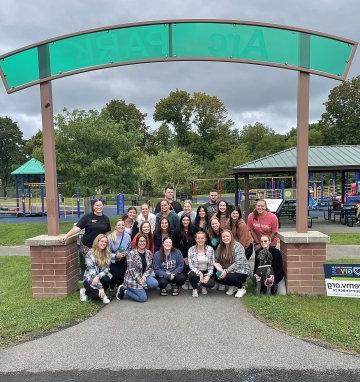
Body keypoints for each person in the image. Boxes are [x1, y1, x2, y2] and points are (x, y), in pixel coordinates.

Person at [61, 199, 111, 268]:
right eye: (96, 205)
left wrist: (110, 243)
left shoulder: (106, 218)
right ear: (93, 207)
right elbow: (77, 228)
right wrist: (66, 235)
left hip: (100, 247)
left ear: (103, 206)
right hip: (87, 246)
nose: (99, 207)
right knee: (90, 266)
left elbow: (107, 232)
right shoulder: (87, 217)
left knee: (99, 266)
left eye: (100, 205)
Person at [116, 234, 158, 302]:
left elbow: (150, 267)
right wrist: (139, 280)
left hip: (143, 276)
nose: (142, 243)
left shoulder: (149, 253)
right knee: (143, 298)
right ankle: (124, 290)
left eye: (144, 241)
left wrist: (145, 276)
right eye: (140, 241)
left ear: (146, 242)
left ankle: (141, 289)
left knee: (154, 283)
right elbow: (131, 270)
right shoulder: (131, 254)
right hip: (132, 278)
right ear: (137, 242)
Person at [213, 229, 251, 298]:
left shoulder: (238, 246)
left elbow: (239, 262)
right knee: (216, 275)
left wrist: (226, 271)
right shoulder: (220, 247)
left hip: (241, 270)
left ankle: (241, 288)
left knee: (229, 276)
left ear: (231, 236)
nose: (225, 238)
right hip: (227, 270)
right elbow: (216, 259)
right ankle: (233, 285)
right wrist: (218, 267)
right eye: (223, 237)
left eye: (227, 236)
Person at [80, 234, 112, 304]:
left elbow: (106, 269)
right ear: (97, 242)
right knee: (97, 296)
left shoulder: (107, 253)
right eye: (101, 241)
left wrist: (98, 276)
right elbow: (92, 273)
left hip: (99, 277)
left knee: (107, 279)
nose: (103, 243)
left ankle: (102, 293)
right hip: (90, 278)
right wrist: (101, 287)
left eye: (105, 242)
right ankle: (84, 291)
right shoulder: (89, 254)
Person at [188, 231, 215, 297]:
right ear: (196, 239)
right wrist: (199, 273)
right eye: (198, 238)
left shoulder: (210, 249)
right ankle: (195, 288)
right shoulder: (191, 249)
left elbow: (212, 264)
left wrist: (208, 275)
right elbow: (190, 265)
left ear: (205, 239)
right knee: (191, 275)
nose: (200, 240)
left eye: (202, 238)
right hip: (195, 271)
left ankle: (203, 286)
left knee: (211, 284)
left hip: (206, 271)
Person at [107, 219, 132, 290]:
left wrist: (125, 253)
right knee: (115, 274)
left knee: (122, 275)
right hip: (113, 260)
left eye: (123, 225)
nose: (121, 226)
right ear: (115, 227)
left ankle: (119, 289)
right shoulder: (110, 237)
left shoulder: (127, 236)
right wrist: (115, 255)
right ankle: (111, 288)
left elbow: (129, 248)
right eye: (119, 225)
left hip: (123, 259)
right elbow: (107, 252)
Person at [173, 215, 196, 289]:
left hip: (193, 254)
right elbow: (175, 246)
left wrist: (189, 257)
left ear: (190, 221)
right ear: (181, 221)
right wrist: (183, 257)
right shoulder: (177, 231)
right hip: (181, 255)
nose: (185, 222)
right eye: (184, 220)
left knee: (192, 264)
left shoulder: (194, 229)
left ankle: (191, 281)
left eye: (187, 220)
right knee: (184, 265)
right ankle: (185, 280)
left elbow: (197, 244)